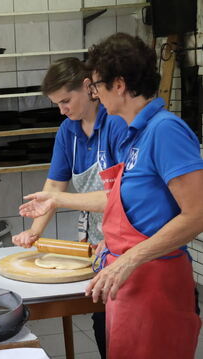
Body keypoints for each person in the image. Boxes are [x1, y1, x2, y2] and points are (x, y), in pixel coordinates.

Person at [19, 33, 203, 359]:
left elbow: (198, 213)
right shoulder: (136, 134)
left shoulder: (165, 130)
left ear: (119, 85)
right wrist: (114, 243)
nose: (94, 93)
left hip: (155, 282)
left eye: (97, 86)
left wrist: (130, 257)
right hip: (129, 281)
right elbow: (128, 205)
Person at [12, 57, 126, 358]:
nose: (62, 110)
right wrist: (34, 232)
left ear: (88, 87)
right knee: (100, 314)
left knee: (116, 319)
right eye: (57, 104)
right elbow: (54, 187)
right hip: (93, 239)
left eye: (66, 100)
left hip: (125, 238)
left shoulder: (114, 122)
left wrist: (59, 200)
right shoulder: (68, 131)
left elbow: (121, 197)